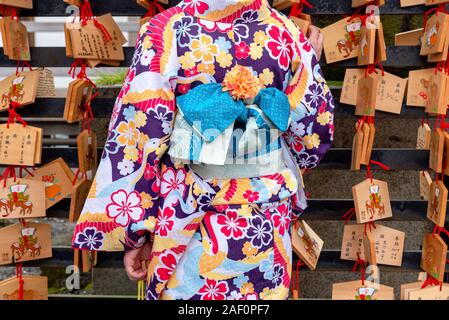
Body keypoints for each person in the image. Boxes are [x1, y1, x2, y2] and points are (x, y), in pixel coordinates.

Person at [72, 0, 334, 300]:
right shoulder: (286, 33)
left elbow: (138, 134)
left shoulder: (166, 31)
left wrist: (137, 233)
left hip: (189, 212)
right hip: (266, 216)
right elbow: (313, 138)